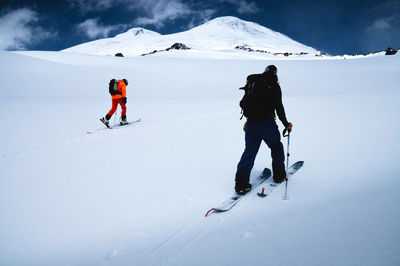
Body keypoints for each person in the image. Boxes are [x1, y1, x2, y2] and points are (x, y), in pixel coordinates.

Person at [235, 65, 293, 195]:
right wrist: (286, 124)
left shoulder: (253, 82)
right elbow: (279, 108)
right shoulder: (274, 86)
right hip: (267, 124)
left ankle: (241, 185)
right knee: (276, 146)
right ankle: (279, 175)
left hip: (251, 124)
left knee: (249, 153)